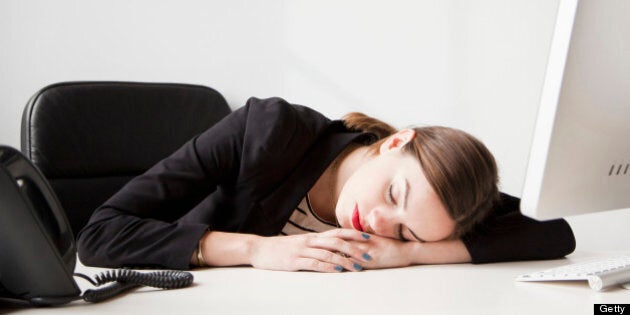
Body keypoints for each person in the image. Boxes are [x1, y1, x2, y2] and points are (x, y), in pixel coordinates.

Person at [77, 97, 575, 272]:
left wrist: (413, 252)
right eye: (393, 196)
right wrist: (255, 250)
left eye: (403, 231)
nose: (379, 224)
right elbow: (100, 235)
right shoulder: (266, 130)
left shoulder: (433, 211)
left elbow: (554, 231)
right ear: (394, 142)